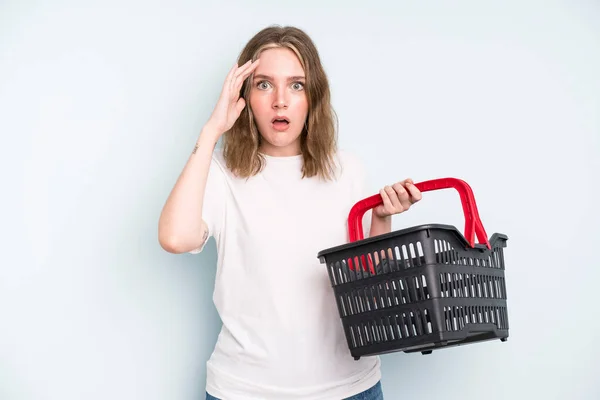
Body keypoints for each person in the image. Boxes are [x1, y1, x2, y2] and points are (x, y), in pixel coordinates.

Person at [158, 25, 422, 400]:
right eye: (264, 84)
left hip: (350, 389)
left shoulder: (346, 169)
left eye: (296, 85)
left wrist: (382, 219)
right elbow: (175, 237)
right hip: (245, 391)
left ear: (312, 96)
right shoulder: (221, 172)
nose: (280, 100)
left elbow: (373, 293)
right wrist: (214, 128)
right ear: (244, 95)